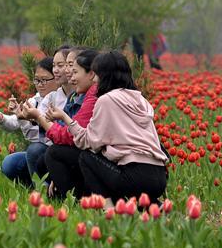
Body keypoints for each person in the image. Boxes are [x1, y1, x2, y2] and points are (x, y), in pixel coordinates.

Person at [48, 50, 167, 202]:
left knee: (86, 158)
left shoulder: (106, 100)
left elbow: (89, 142)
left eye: (96, 74)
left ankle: (106, 208)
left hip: (134, 176)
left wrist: (66, 119)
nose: (95, 80)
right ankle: (152, 205)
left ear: (105, 75)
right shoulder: (140, 99)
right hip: (159, 177)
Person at [25, 47, 99, 198]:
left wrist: (39, 118)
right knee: (32, 159)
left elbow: (70, 136)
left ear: (91, 72)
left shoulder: (94, 96)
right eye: (56, 65)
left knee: (47, 154)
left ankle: (74, 199)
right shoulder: (74, 97)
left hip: (103, 157)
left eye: (70, 65)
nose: (67, 70)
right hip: (77, 148)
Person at [0, 57, 59, 187]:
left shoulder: (60, 100)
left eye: (44, 80)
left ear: (57, 77)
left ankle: (43, 191)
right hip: (38, 154)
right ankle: (35, 186)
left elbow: (38, 135)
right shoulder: (35, 100)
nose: (40, 84)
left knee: (35, 149)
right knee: (10, 163)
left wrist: (25, 119)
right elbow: (14, 123)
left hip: (53, 153)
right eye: (37, 80)